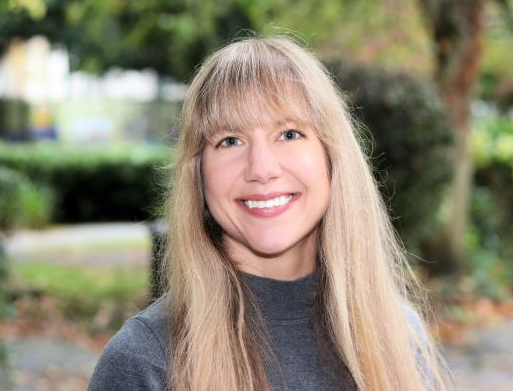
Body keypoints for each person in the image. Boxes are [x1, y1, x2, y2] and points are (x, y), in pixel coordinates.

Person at [88, 36, 450, 391]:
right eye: (229, 140)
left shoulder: (399, 337)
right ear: (198, 175)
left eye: (289, 134)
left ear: (331, 156)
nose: (261, 168)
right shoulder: (145, 361)